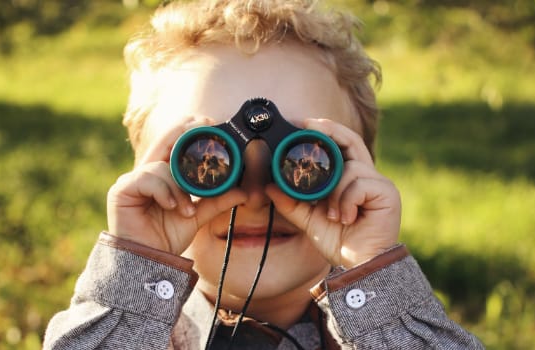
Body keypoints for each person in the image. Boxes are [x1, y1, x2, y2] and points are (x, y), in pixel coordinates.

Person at [44, 0, 485, 349]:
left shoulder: (388, 332)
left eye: (302, 161)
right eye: (208, 158)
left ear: (356, 173)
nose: (256, 196)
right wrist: (136, 269)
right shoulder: (128, 333)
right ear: (150, 174)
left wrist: (372, 270)